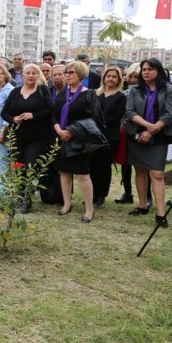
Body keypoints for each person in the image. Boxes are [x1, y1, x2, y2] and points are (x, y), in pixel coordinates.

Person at [124, 58, 172, 228]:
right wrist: (146, 127)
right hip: (137, 136)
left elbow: (170, 114)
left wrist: (152, 130)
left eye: (150, 69)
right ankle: (142, 206)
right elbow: (129, 111)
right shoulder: (134, 90)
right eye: (144, 69)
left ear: (159, 71)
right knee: (140, 171)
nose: (146, 72)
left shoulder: (169, 90)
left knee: (157, 174)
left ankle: (160, 214)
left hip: (159, 136)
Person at [52, 61, 104, 223]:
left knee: (82, 175)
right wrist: (59, 130)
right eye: (66, 73)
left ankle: (89, 209)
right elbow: (53, 115)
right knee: (64, 172)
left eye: (71, 73)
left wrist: (72, 131)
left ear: (80, 75)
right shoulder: (62, 94)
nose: (67, 75)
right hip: (62, 139)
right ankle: (67, 204)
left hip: (80, 140)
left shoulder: (89, 94)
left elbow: (95, 119)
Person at [2, 64, 54, 213]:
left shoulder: (42, 91)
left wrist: (34, 115)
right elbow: (4, 112)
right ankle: (19, 195)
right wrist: (13, 119)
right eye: (27, 73)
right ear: (23, 76)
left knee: (31, 166)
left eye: (34, 73)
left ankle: (28, 199)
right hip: (17, 136)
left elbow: (51, 109)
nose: (30, 76)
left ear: (38, 76)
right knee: (19, 166)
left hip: (37, 137)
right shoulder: (15, 92)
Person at [89, 67, 126, 209]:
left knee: (104, 167)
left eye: (114, 77)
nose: (110, 79)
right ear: (103, 78)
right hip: (93, 135)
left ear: (119, 79)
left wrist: (98, 125)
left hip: (110, 136)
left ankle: (101, 196)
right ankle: (92, 193)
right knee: (92, 165)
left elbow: (116, 117)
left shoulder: (121, 97)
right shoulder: (95, 94)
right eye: (108, 76)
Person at [115, 63, 145, 205]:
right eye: (131, 77)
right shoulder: (123, 94)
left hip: (142, 132)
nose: (133, 80)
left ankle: (147, 197)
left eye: (136, 77)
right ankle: (128, 194)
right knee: (125, 164)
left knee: (143, 167)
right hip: (125, 133)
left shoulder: (148, 94)